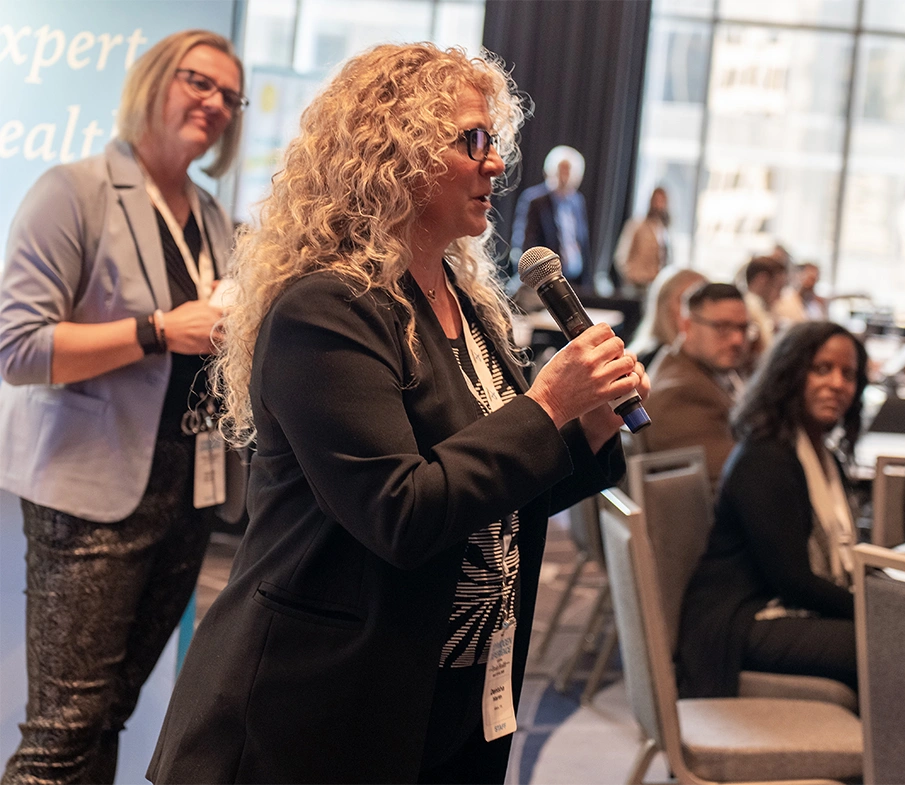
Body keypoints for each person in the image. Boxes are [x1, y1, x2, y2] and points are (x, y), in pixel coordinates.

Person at [146, 43, 647, 785]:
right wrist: (546, 403)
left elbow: (495, 491)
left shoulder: (468, 304)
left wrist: (589, 425)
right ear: (393, 154)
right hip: (315, 712)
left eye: (496, 142)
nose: (496, 164)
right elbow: (401, 511)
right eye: (472, 141)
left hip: (450, 692)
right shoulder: (328, 308)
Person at [0, 30, 245, 785]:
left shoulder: (210, 214)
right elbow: (17, 348)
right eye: (199, 82)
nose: (215, 104)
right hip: (89, 499)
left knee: (110, 715)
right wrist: (157, 330)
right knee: (60, 736)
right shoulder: (71, 189)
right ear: (152, 80)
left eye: (230, 96)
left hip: (187, 494)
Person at [677, 321, 868, 699]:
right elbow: (793, 581)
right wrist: (875, 607)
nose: (837, 384)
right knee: (885, 642)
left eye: (849, 374)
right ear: (790, 373)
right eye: (821, 369)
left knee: (902, 633)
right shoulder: (766, 458)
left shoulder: (823, 455)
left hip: (776, 607)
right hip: (738, 619)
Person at [643, 283, 751, 489]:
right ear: (687, 325)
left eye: (743, 328)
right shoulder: (680, 393)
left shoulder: (689, 368)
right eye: (722, 327)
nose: (737, 340)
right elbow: (737, 478)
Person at [510, 145, 590, 284]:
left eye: (569, 172)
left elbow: (581, 241)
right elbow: (526, 242)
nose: (565, 178)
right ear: (550, 171)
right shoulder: (535, 200)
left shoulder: (577, 201)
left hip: (573, 279)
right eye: (561, 171)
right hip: (546, 280)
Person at [627, 267, 707, 368]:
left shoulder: (702, 360)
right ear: (664, 306)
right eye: (689, 301)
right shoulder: (651, 360)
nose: (701, 310)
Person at [613, 186, 671, 296]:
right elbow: (622, 254)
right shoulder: (637, 225)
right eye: (656, 200)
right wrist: (631, 276)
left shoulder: (664, 230)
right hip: (635, 286)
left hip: (654, 286)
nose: (659, 205)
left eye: (662, 201)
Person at [740, 254, 786, 359]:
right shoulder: (748, 309)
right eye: (779, 287)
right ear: (762, 280)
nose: (780, 296)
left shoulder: (759, 308)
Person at [773, 261, 827, 325]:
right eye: (809, 279)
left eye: (814, 280)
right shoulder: (783, 299)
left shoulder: (816, 305)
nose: (810, 284)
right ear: (798, 276)